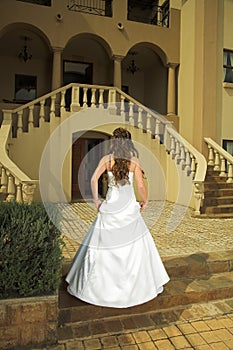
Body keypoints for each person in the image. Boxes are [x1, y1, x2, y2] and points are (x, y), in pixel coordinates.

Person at [65, 127, 169, 308]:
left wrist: (97, 200)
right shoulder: (134, 160)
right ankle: (137, 288)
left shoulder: (107, 159)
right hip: (128, 207)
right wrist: (145, 201)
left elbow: (92, 180)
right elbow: (141, 186)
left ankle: (97, 289)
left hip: (111, 206)